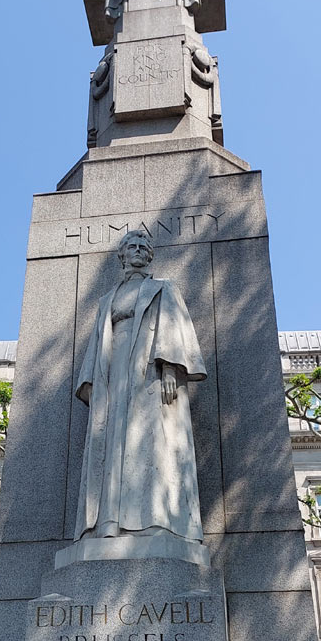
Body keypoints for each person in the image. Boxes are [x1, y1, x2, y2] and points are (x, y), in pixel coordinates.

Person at [74, 231, 206, 544]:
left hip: (150, 372)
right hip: (113, 376)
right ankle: (108, 523)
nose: (137, 250)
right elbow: (96, 344)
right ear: (121, 255)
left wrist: (172, 367)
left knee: (152, 445)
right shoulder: (107, 300)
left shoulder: (163, 288)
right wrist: (91, 383)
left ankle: (157, 520)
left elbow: (175, 328)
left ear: (149, 256)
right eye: (131, 246)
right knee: (112, 447)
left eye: (143, 247)